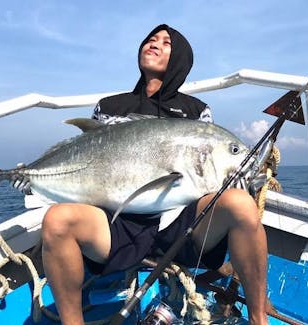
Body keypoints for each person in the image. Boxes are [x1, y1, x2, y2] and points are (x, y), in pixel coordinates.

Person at [41, 24, 269, 325]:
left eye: (166, 42)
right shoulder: (110, 107)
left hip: (184, 219)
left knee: (241, 204)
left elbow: (208, 171)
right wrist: (33, 177)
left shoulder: (196, 110)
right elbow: (89, 161)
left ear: (181, 59)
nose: (154, 44)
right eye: (150, 39)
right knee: (56, 220)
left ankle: (258, 318)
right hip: (117, 221)